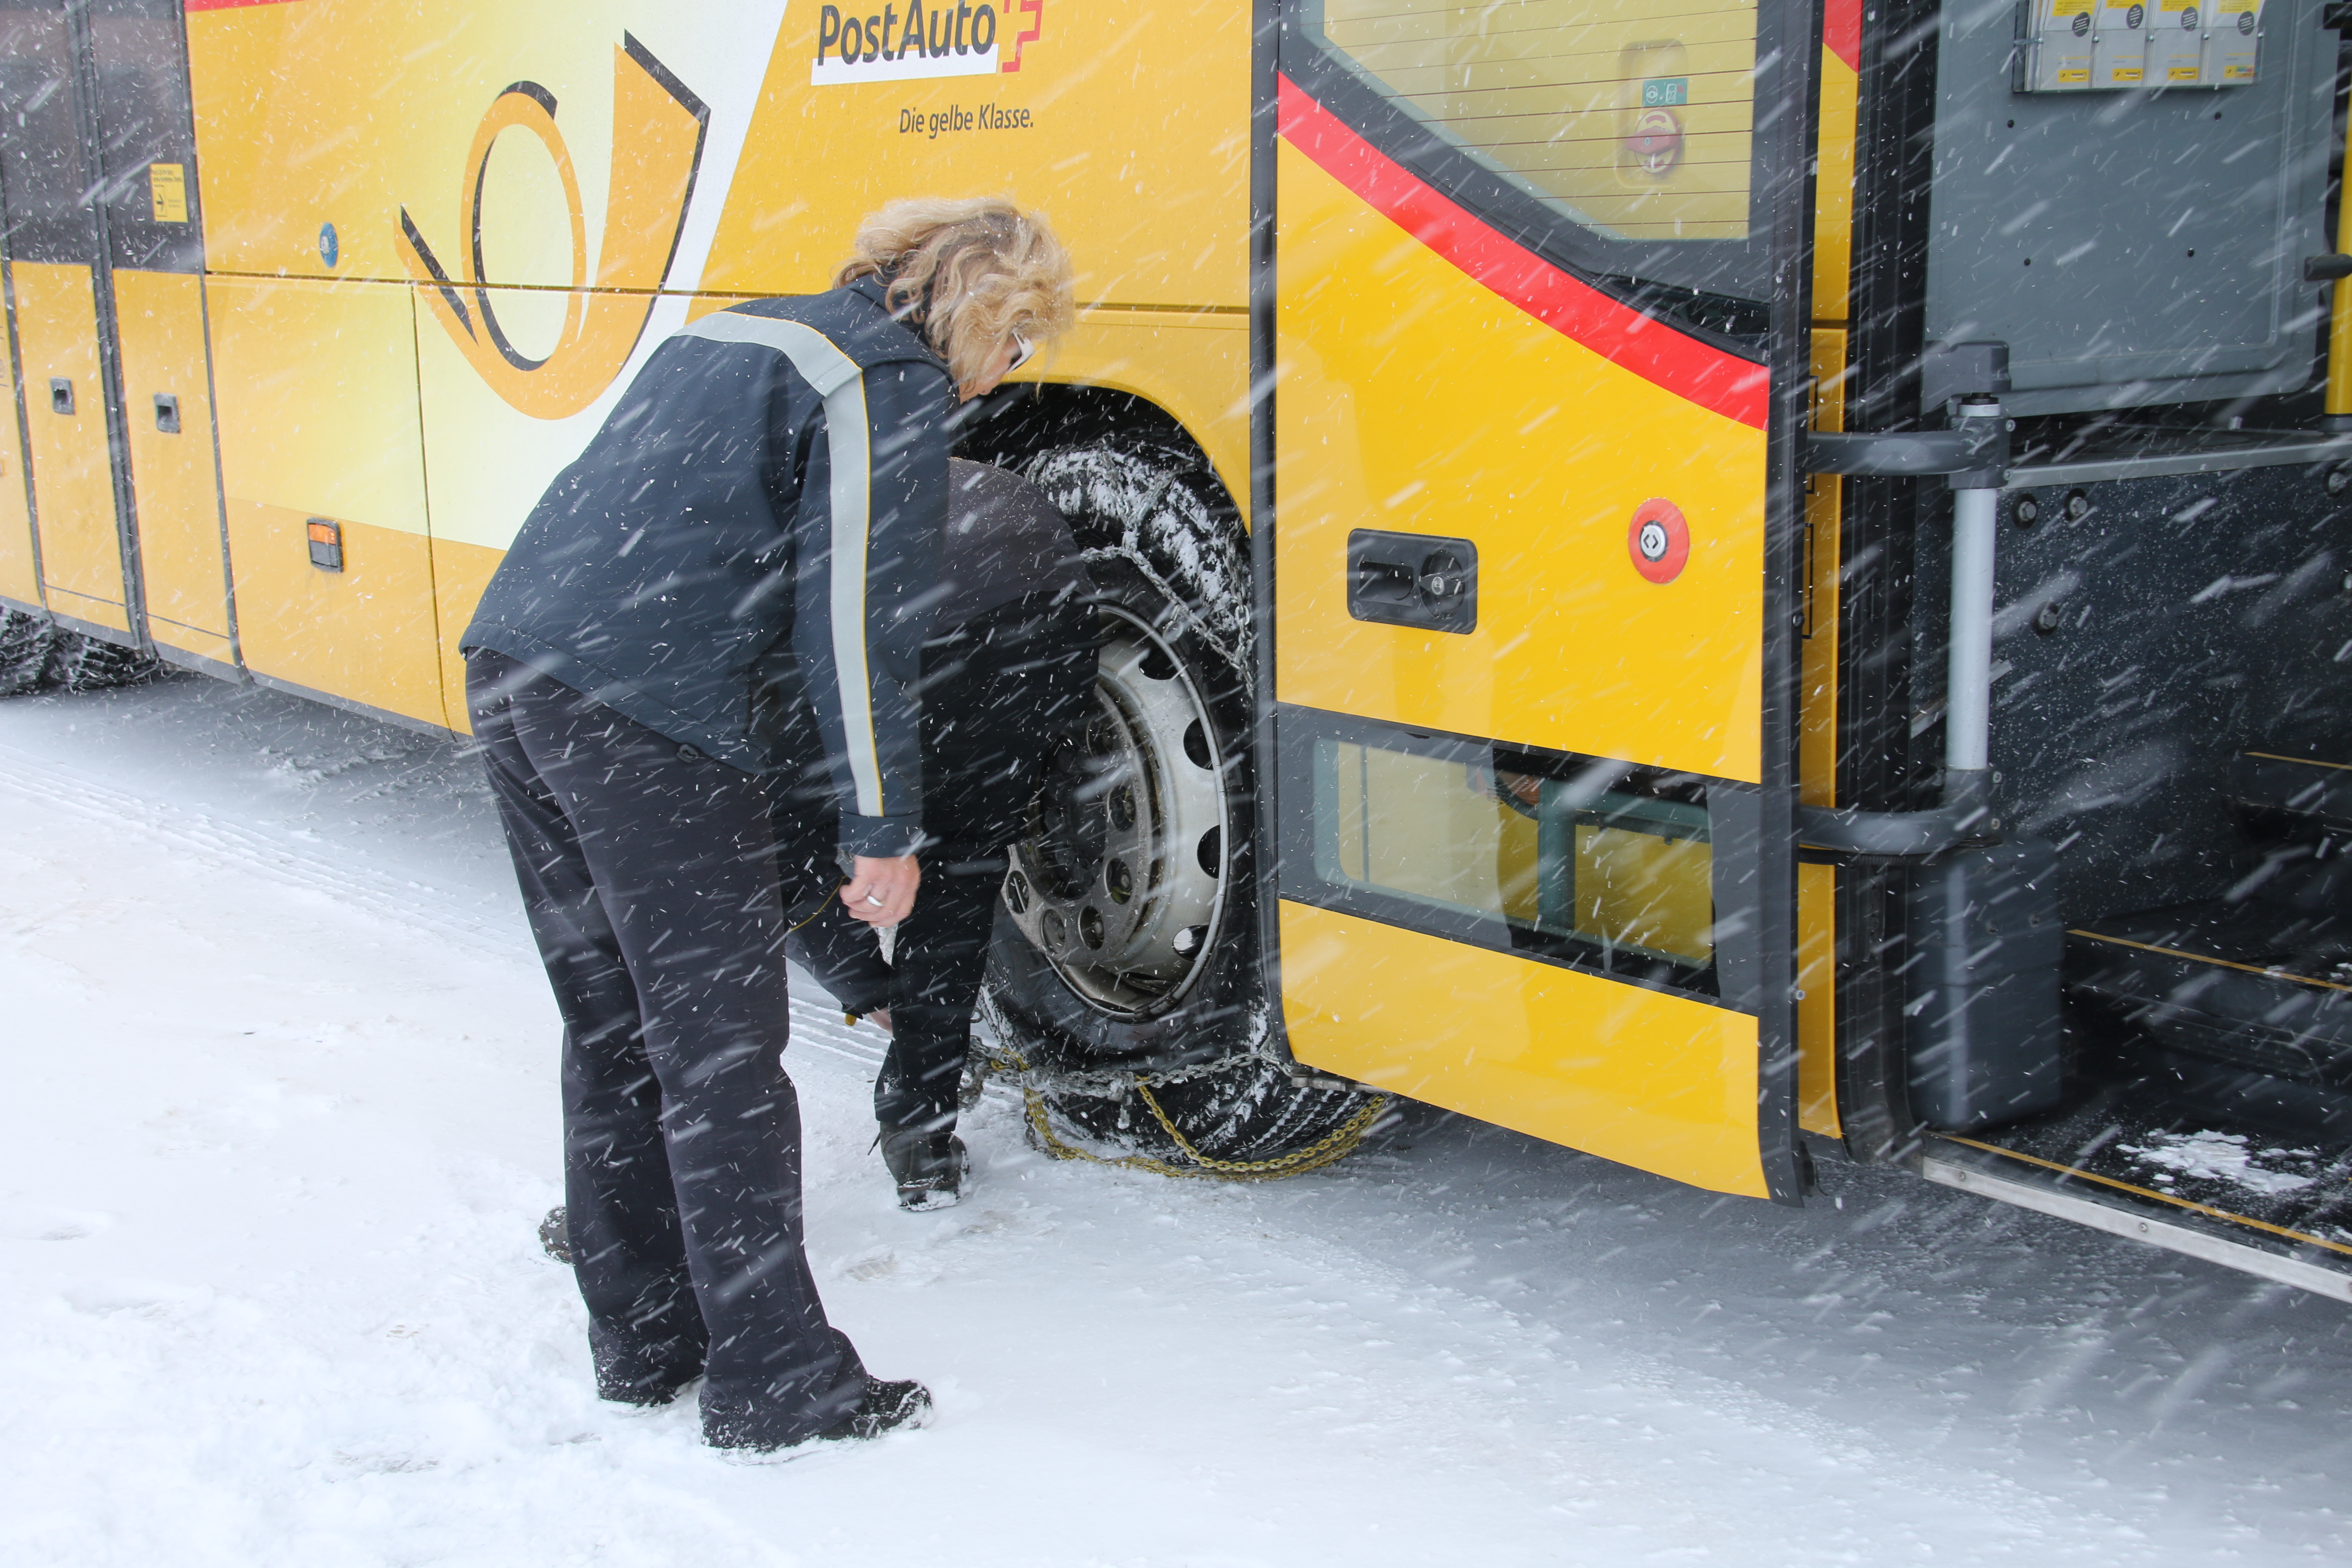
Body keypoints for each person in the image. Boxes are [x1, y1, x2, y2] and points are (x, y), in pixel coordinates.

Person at [461, 198, 1075, 1452]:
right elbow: (857, 623)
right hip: (646, 714)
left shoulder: (747, 331)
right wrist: (882, 828)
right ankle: (775, 1381)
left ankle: (642, 1340)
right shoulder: (881, 385)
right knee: (721, 1059)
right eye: (1016, 349)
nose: (1002, 379)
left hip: (519, 668)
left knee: (615, 1027)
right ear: (982, 312)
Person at [784, 458, 1097, 1208]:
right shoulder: (883, 480)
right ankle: (920, 1132)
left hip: (942, 621)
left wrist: (865, 983)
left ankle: (920, 1127)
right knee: (960, 867)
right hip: (1043, 609)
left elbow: (782, 861)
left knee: (822, 837)